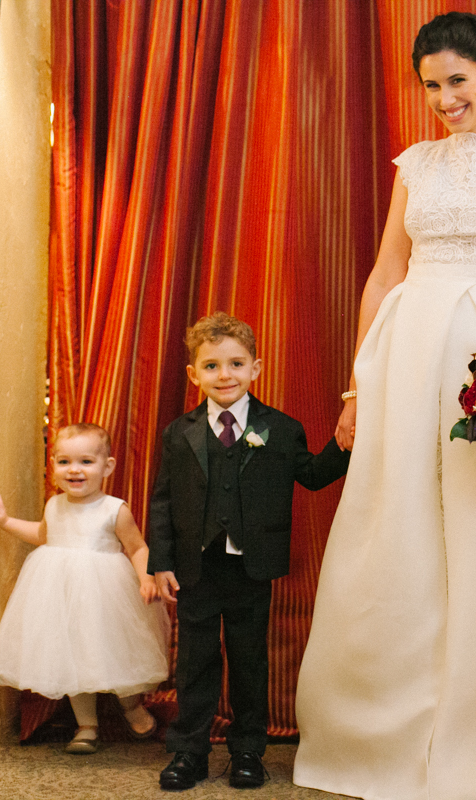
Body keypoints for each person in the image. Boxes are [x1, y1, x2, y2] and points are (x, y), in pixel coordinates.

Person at [293, 12, 476, 800]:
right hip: (404, 349)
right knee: (395, 528)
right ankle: (381, 736)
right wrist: (358, 383)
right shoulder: (414, 164)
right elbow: (386, 272)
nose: (443, 98)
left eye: (457, 80)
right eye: (431, 84)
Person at [147, 312, 350, 791]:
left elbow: (315, 475)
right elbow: (162, 501)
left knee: (248, 660)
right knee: (194, 661)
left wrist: (345, 444)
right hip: (195, 567)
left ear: (256, 368)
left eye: (236, 364)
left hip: (250, 566)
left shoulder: (280, 428)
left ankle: (247, 752)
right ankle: (189, 752)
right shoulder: (180, 433)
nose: (225, 375)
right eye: (212, 366)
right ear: (195, 374)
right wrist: (162, 562)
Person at [0, 423, 168, 755]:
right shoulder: (54, 505)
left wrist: (145, 577)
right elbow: (44, 535)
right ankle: (86, 725)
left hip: (105, 596)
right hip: (60, 595)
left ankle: (131, 707)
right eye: (64, 461)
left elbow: (138, 547)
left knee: (117, 652)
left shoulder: (114, 509)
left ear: (107, 467)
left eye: (86, 461)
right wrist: (6, 522)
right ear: (53, 465)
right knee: (71, 656)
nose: (74, 470)